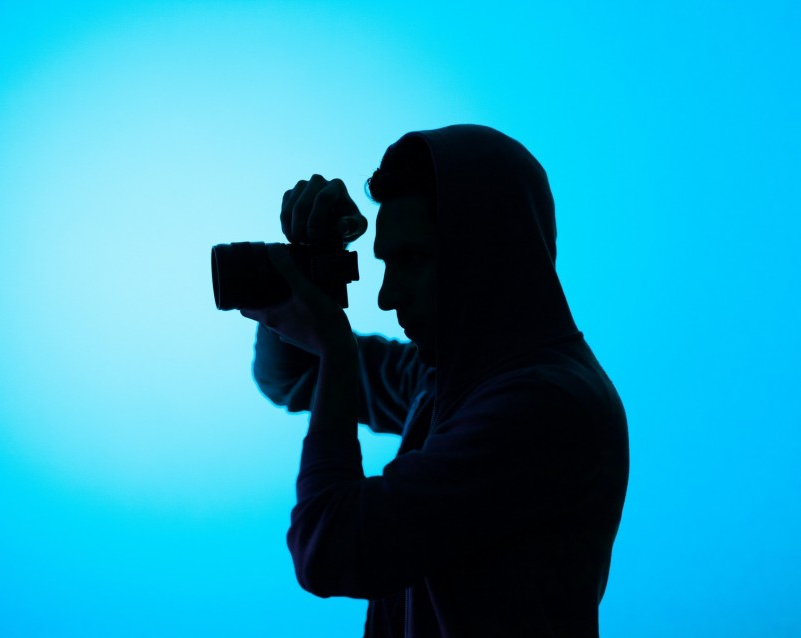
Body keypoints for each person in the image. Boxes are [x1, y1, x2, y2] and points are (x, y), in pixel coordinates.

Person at [239, 124, 629, 637]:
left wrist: (335, 347)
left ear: (488, 254)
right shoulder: (442, 379)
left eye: (412, 259)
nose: (386, 296)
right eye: (384, 261)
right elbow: (288, 376)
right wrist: (308, 262)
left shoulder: (546, 407)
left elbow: (328, 549)